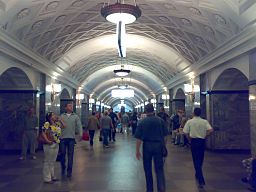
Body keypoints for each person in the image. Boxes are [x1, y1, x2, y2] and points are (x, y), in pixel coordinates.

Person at [135, 103, 168, 192]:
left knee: (147, 168)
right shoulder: (160, 121)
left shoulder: (142, 122)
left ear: (145, 111)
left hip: (147, 146)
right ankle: (161, 189)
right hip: (158, 145)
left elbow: (138, 138)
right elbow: (165, 136)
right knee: (159, 169)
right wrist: (163, 145)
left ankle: (150, 189)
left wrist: (137, 151)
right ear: (153, 110)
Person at [183, 107, 213, 188]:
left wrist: (189, 139)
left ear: (193, 113)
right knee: (201, 158)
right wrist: (205, 135)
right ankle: (198, 173)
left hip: (194, 141)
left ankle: (201, 179)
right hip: (202, 142)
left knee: (196, 159)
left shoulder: (190, 121)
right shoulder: (204, 121)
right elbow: (210, 130)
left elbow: (185, 132)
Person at [60, 103, 83, 178]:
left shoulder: (75, 116)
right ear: (65, 107)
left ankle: (69, 171)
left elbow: (79, 125)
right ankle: (63, 166)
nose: (71, 107)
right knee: (62, 154)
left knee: (70, 155)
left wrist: (81, 134)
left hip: (71, 138)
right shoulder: (62, 116)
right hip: (62, 138)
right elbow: (58, 125)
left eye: (71, 106)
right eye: (69, 106)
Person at [42, 112, 65, 184]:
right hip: (49, 144)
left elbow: (64, 126)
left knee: (52, 161)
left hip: (56, 143)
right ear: (50, 117)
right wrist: (47, 140)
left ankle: (52, 176)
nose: (55, 116)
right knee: (47, 160)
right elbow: (43, 133)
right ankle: (47, 178)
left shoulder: (57, 124)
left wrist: (60, 120)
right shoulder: (47, 124)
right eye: (53, 115)